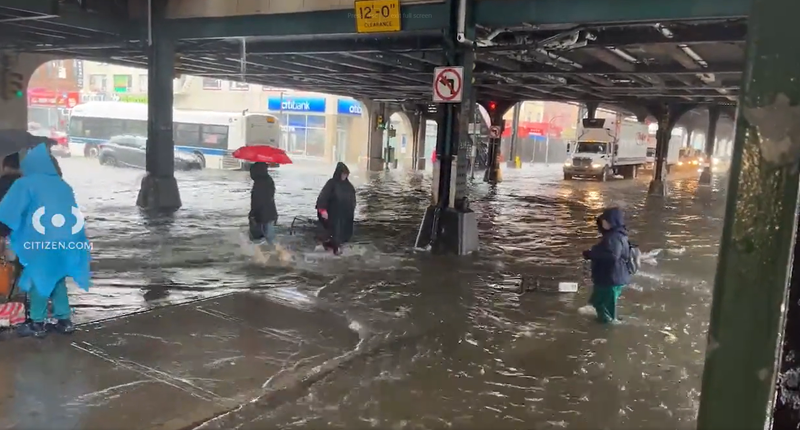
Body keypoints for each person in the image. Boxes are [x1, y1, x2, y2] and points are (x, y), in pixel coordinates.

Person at [0, 143, 91, 338]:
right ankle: (64, 319)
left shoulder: (25, 184)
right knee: (57, 277)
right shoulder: (62, 185)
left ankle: (37, 323)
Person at [582, 207, 631, 324]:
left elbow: (612, 256)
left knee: (603, 305)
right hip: (613, 277)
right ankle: (606, 321)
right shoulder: (619, 235)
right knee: (600, 301)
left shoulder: (613, 237)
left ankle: (606, 326)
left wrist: (592, 254)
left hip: (610, 279)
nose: (603, 222)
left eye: (606, 220)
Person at [315, 162, 356, 255]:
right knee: (332, 232)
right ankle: (331, 248)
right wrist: (322, 210)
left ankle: (338, 248)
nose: (344, 176)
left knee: (343, 233)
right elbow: (323, 197)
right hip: (333, 214)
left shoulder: (349, 186)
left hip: (345, 215)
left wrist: (351, 211)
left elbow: (353, 201)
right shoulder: (331, 184)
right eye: (343, 174)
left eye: (346, 174)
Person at [248, 162, 278, 245]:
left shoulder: (259, 183)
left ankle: (261, 258)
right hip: (270, 214)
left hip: (261, 217)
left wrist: (252, 215)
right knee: (271, 239)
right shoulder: (269, 180)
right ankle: (282, 255)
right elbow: (268, 199)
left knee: (256, 242)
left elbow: (257, 202)